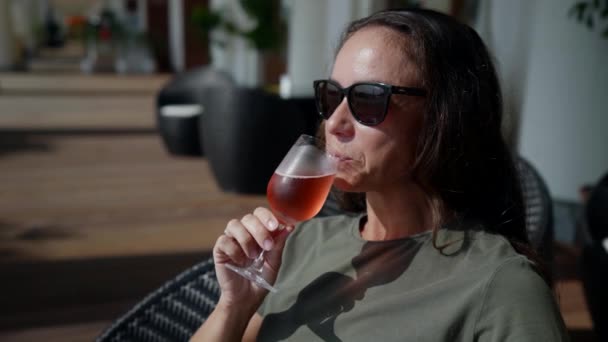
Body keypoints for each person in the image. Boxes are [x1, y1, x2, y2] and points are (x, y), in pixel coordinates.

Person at [191, 8, 569, 341]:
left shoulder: (499, 287)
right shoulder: (301, 242)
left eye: (368, 99)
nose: (336, 121)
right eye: (331, 96)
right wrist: (234, 305)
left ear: (444, 118)